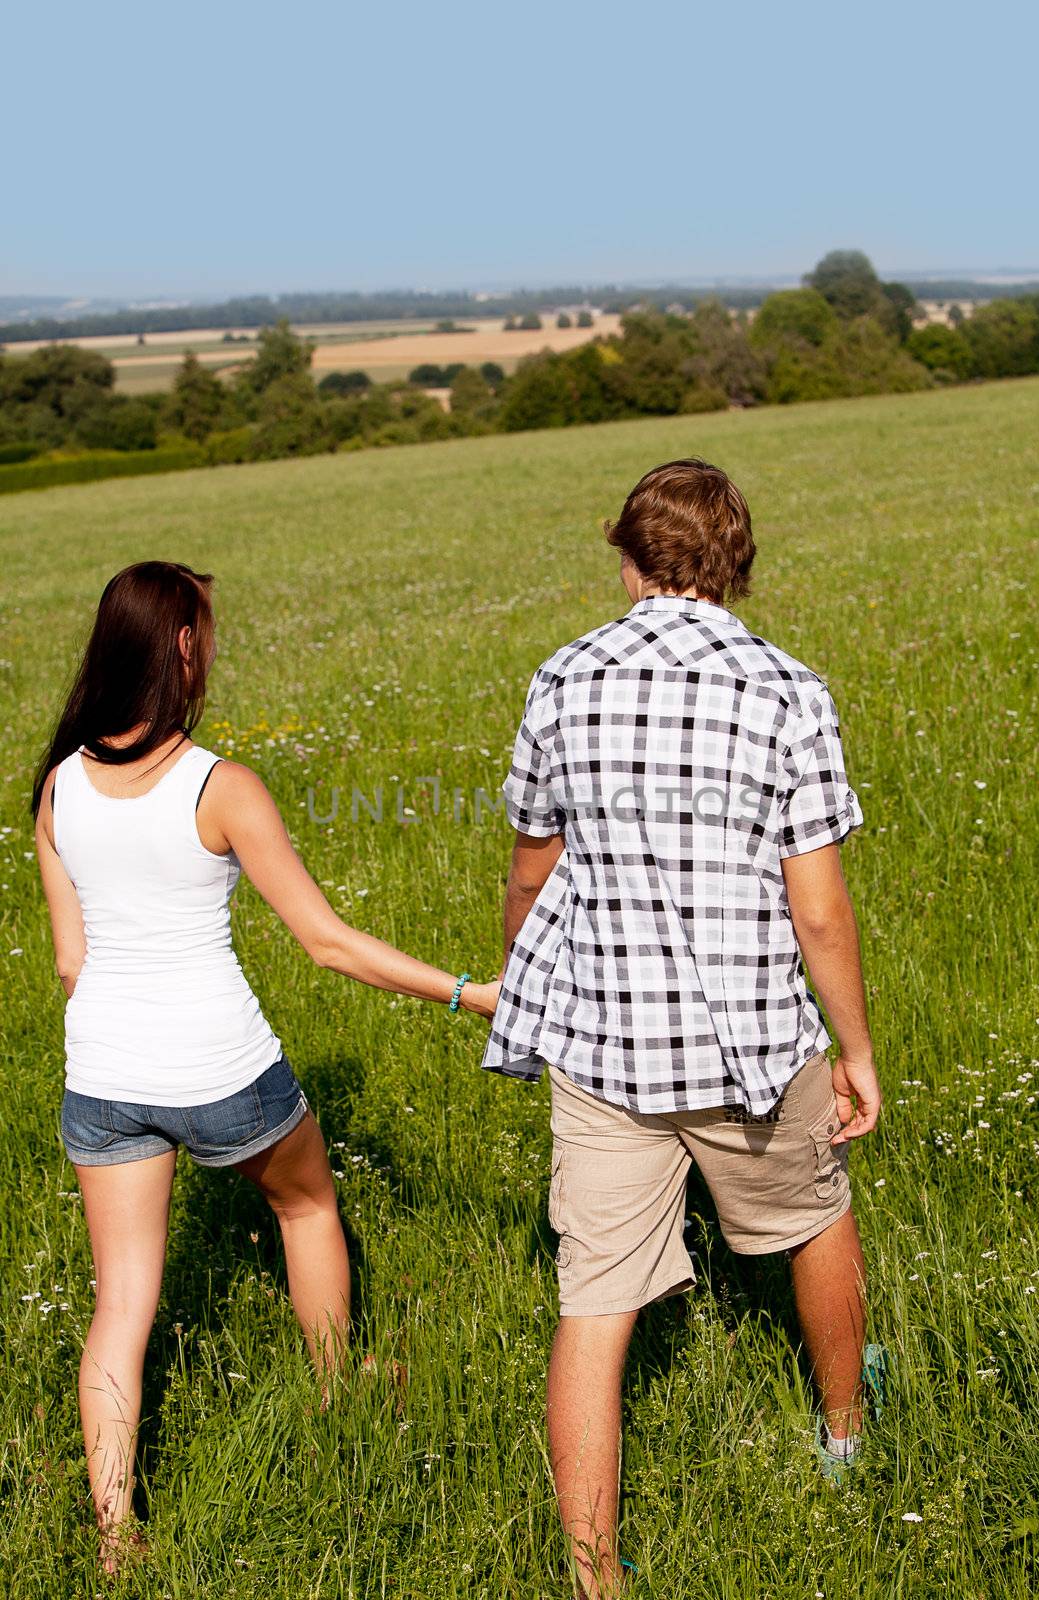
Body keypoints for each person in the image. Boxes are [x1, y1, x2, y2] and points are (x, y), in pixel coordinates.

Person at [32, 561, 497, 1573]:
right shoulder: (220, 786)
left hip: (102, 1077)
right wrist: (471, 992)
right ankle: (337, 1384)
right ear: (183, 648)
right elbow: (325, 942)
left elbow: (72, 961)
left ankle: (117, 1540)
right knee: (305, 1207)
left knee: (121, 1306)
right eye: (209, 631)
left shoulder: (57, 785)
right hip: (220, 1068)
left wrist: (127, 1039)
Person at [482, 459, 883, 1598]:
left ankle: (591, 1572)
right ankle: (845, 1439)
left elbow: (528, 863)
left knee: (593, 1303)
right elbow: (816, 904)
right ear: (735, 561)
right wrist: (852, 1050)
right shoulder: (786, 689)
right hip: (754, 1041)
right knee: (813, 1219)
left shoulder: (560, 677)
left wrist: (522, 978)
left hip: (604, 1043)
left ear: (626, 554)